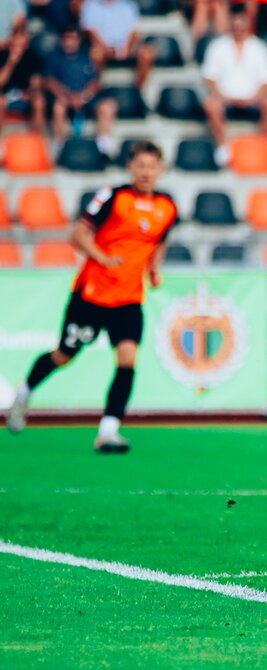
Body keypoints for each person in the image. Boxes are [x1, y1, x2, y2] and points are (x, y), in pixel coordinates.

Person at [6, 141, 178, 453]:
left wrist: (154, 270)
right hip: (92, 294)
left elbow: (159, 240)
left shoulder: (167, 206)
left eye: (152, 167)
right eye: (141, 166)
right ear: (130, 167)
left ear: (161, 170)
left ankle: (108, 431)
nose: (146, 173)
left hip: (129, 299)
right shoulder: (113, 196)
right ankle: (25, 391)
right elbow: (78, 234)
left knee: (127, 359)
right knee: (64, 355)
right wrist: (102, 257)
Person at [201, 4, 267, 165]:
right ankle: (223, 146)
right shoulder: (217, 46)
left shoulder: (259, 47)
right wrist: (222, 97)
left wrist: (254, 98)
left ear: (248, 24)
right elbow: (209, 78)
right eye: (235, 25)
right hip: (225, 100)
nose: (239, 29)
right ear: (230, 24)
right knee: (210, 105)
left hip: (254, 100)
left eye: (242, 25)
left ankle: (263, 144)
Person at [44, 24, 118, 153]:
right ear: (61, 39)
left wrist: (84, 97)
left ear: (79, 39)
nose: (70, 42)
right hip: (64, 98)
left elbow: (96, 81)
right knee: (58, 107)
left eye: (73, 38)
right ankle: (60, 147)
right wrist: (68, 96)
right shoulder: (53, 57)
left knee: (108, 106)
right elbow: (49, 81)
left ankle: (104, 148)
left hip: (87, 99)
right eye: (67, 38)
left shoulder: (89, 55)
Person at [0, 26, 46, 137]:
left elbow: (36, 81)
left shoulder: (32, 56)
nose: (19, 42)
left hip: (26, 94)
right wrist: (11, 62)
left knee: (39, 101)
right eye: (16, 38)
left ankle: (37, 139)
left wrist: (30, 92)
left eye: (22, 38)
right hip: (5, 95)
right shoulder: (2, 55)